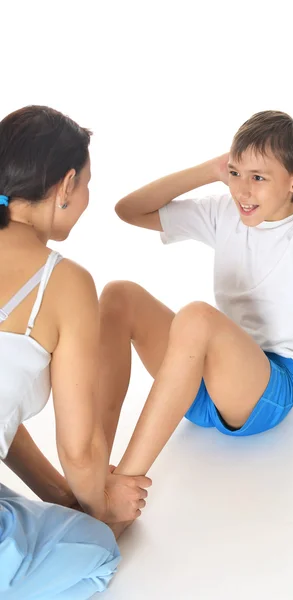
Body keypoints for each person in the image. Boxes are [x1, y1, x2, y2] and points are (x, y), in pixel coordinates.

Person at [97, 110, 293, 479]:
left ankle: (123, 485)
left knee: (197, 317)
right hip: (201, 381)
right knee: (119, 295)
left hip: (266, 391)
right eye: (236, 174)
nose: (242, 191)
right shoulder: (226, 212)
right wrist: (212, 170)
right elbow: (129, 210)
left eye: (258, 178)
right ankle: (94, 468)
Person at [0, 105, 151, 599]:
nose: (87, 196)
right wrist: (100, 511)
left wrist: (64, 497)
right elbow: (80, 448)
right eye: (86, 183)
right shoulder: (61, 282)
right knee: (95, 549)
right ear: (65, 186)